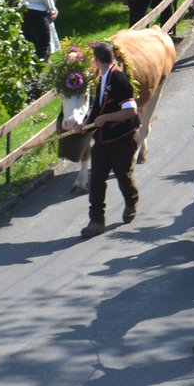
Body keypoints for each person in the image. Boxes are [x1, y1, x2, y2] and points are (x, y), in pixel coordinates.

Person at [78, 41, 141, 238]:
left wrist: (105, 118)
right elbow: (98, 109)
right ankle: (96, 221)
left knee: (124, 176)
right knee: (96, 180)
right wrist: (85, 124)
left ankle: (131, 200)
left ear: (96, 61)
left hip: (122, 139)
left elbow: (130, 111)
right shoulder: (103, 78)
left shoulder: (119, 79)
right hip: (103, 140)